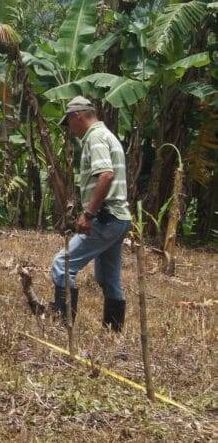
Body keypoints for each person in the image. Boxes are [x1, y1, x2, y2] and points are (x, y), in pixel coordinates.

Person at [50, 96, 132, 332]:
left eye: (69, 123)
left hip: (105, 218)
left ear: (78, 116)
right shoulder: (107, 135)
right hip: (118, 218)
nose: (71, 130)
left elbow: (105, 174)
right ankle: (113, 333)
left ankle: (63, 329)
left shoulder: (95, 137)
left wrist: (88, 213)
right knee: (108, 279)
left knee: (62, 264)